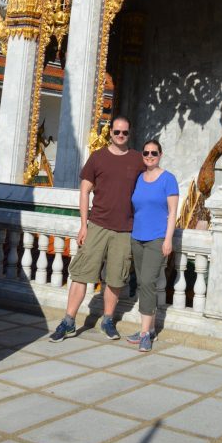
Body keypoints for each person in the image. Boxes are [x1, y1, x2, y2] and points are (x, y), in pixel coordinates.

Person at [49, 114, 143, 342]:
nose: (121, 136)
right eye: (117, 132)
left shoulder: (137, 159)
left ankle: (108, 320)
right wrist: (83, 224)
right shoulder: (98, 158)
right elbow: (84, 190)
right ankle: (68, 321)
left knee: (116, 277)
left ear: (129, 134)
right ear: (110, 132)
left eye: (125, 132)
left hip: (124, 229)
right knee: (81, 274)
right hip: (98, 224)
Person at [125, 139, 178, 353]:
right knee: (142, 284)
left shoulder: (168, 179)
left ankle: (145, 333)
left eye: (153, 153)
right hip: (137, 237)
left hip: (157, 238)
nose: (149, 156)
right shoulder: (138, 178)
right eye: (146, 153)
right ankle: (150, 328)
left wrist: (168, 239)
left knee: (147, 282)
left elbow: (173, 212)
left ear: (160, 155)